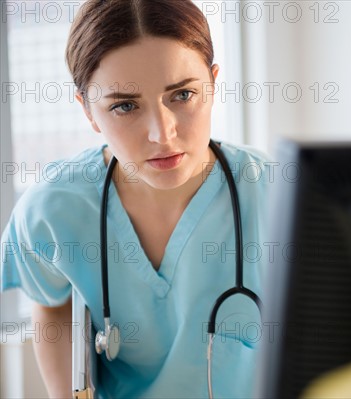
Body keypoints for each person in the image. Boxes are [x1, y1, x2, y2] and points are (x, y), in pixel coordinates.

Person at [1, 0, 270, 397]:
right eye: (125, 105)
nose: (162, 133)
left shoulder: (273, 194)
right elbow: (52, 301)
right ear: (88, 111)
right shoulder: (53, 210)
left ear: (212, 85)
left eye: (182, 95)